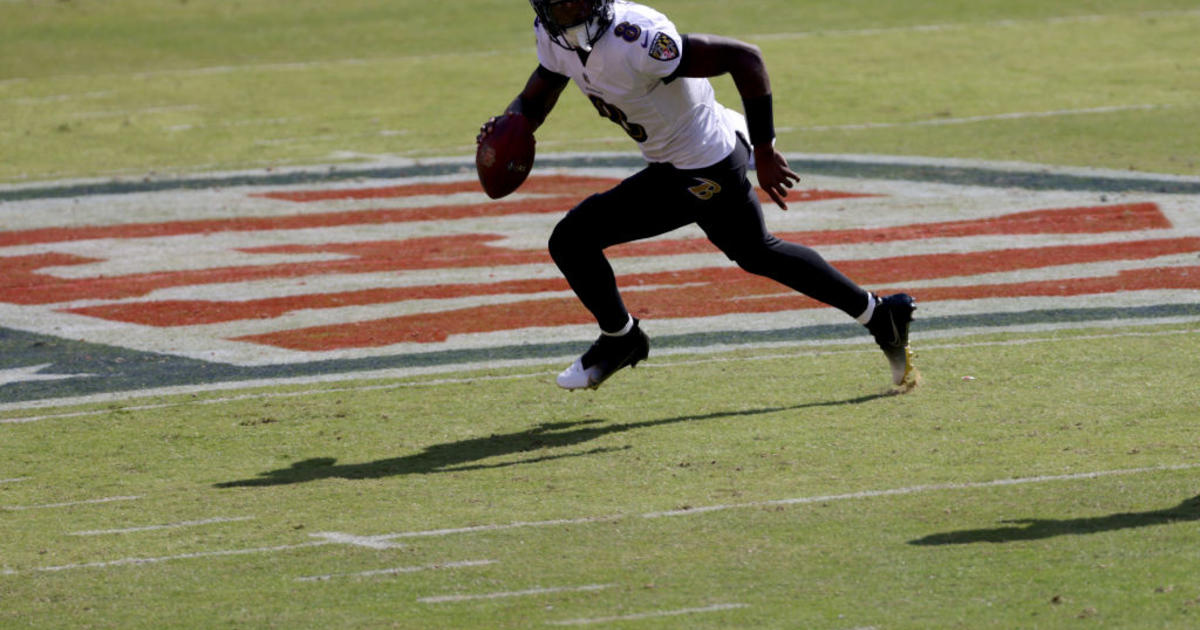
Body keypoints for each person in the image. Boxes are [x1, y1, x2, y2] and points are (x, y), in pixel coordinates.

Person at [477, 0, 916, 390]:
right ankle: (881, 316)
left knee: (573, 238)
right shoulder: (554, 39)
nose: (573, 9)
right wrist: (508, 127)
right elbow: (539, 95)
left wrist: (766, 150)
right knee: (756, 252)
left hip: (702, 164)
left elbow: (744, 59)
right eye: (561, 5)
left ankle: (621, 339)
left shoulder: (637, 37)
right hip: (691, 155)